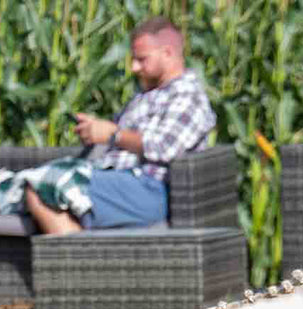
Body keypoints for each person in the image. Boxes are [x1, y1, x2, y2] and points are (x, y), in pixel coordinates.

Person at [24, 17, 215, 234]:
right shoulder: (149, 94)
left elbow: (163, 147)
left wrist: (113, 134)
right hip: (120, 179)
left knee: (41, 187)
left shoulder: (187, 96)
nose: (134, 67)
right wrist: (95, 130)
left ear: (168, 53)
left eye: (142, 59)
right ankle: (80, 258)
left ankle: (75, 263)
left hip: (148, 188)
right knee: (26, 182)